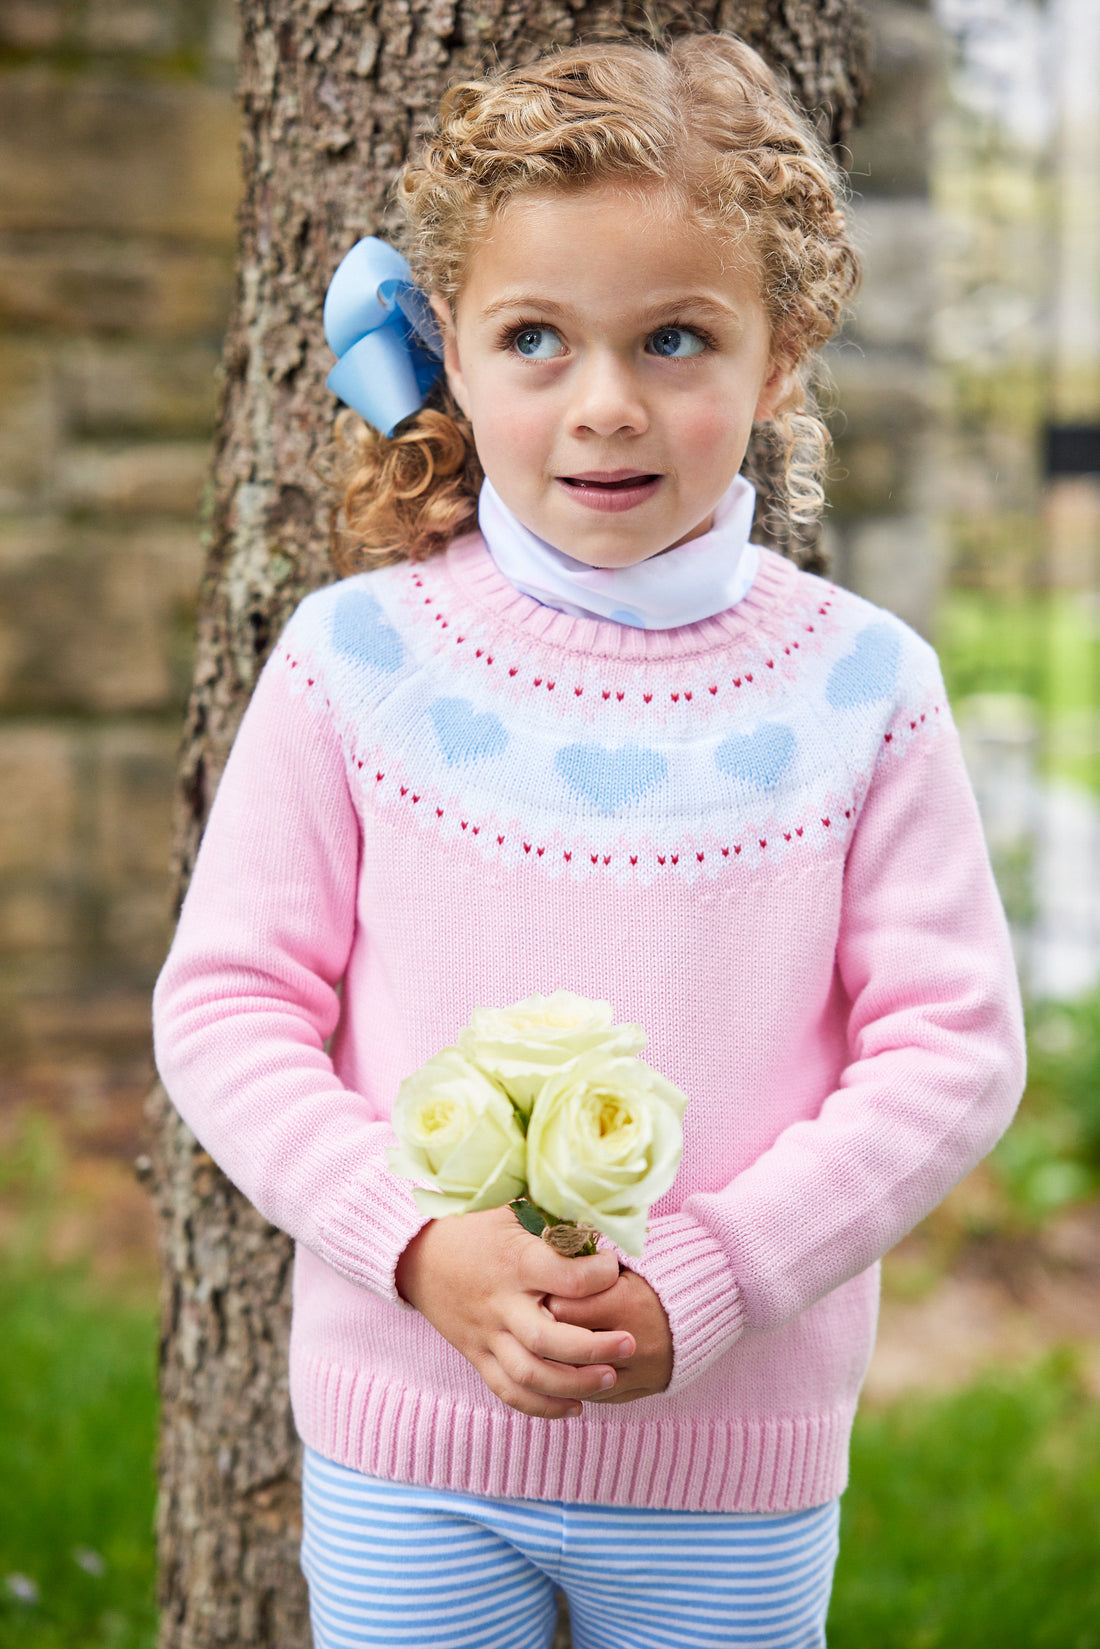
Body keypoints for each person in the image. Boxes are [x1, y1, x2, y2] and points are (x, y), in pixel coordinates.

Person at [153, 34, 1026, 1649]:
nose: (607, 405)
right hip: (409, 1450)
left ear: (778, 363)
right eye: (536, 339)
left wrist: (708, 1277)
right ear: (457, 361)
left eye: (677, 338)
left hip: (730, 1470)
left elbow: (954, 1049)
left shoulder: (861, 688)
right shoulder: (356, 665)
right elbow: (228, 1004)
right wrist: (416, 1244)